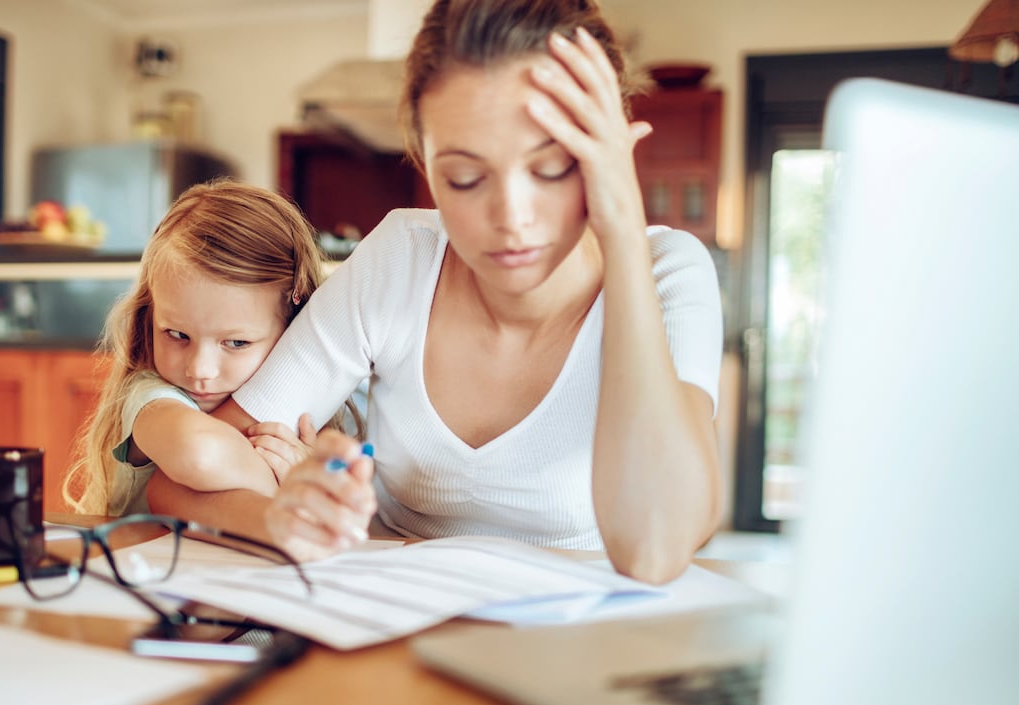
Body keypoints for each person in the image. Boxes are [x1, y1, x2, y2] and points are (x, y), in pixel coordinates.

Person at [147, 0, 724, 585]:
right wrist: (282, 517)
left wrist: (622, 228)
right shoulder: (400, 258)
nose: (512, 218)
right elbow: (174, 484)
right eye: (465, 178)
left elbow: (655, 550)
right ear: (425, 163)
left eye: (552, 167)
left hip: (577, 643)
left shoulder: (666, 273)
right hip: (392, 628)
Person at [63, 179, 340, 516]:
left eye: (236, 342)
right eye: (177, 335)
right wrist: (293, 484)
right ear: (149, 317)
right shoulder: (152, 397)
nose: (199, 370)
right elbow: (198, 452)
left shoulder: (310, 409)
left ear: (293, 325)